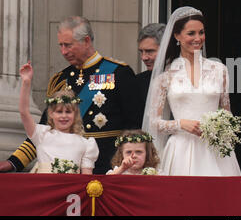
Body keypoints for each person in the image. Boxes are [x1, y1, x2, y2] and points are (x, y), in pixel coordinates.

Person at [0, 16, 140, 174]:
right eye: (60, 45)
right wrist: (14, 162)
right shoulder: (60, 79)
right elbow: (45, 129)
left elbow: (134, 127)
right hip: (65, 169)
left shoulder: (119, 73)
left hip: (108, 167)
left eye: (68, 45)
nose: (63, 51)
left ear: (86, 41)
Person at [144, 6, 241, 176]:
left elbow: (227, 115)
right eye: (191, 33)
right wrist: (181, 124)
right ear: (177, 36)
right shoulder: (165, 76)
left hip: (214, 150)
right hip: (180, 149)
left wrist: (219, 128)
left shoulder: (220, 70)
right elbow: (154, 121)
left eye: (201, 32)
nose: (198, 38)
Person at [19, 62, 98, 174]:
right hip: (44, 189)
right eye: (59, 112)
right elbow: (24, 112)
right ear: (51, 113)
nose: (64, 116)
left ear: (75, 114)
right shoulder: (42, 134)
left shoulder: (86, 144)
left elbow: (86, 180)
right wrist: (26, 82)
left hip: (71, 190)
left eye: (68, 112)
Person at [136, 23, 165, 127]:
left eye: (149, 51)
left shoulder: (183, 78)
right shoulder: (137, 82)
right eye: (141, 52)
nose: (144, 57)